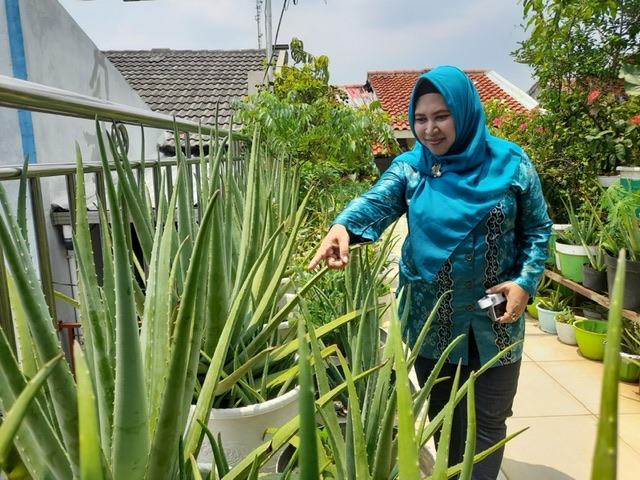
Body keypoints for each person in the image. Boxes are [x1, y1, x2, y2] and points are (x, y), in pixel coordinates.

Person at [308, 65, 552, 479]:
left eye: (442, 116)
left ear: (465, 111)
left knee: (490, 421)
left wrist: (525, 282)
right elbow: (376, 201)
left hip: (497, 314)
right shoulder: (411, 168)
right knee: (446, 421)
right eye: (420, 119)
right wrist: (342, 226)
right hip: (432, 317)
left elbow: (538, 228)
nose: (430, 130)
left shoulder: (512, 164)